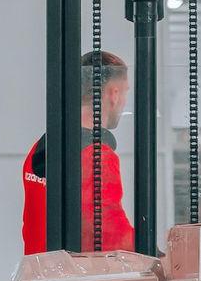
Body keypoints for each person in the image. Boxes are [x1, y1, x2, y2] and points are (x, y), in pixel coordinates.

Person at [22, 50, 135, 254]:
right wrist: (158, 254)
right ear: (114, 94)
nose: (125, 101)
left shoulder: (40, 151)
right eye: (125, 92)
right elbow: (110, 234)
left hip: (41, 279)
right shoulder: (96, 155)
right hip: (72, 280)